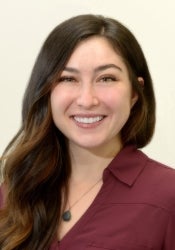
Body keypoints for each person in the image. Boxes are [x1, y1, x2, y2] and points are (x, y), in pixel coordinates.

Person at [0, 14, 175, 250]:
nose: (86, 100)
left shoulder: (168, 196)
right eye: (68, 78)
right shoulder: (15, 189)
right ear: (46, 91)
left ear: (135, 92)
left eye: (106, 78)